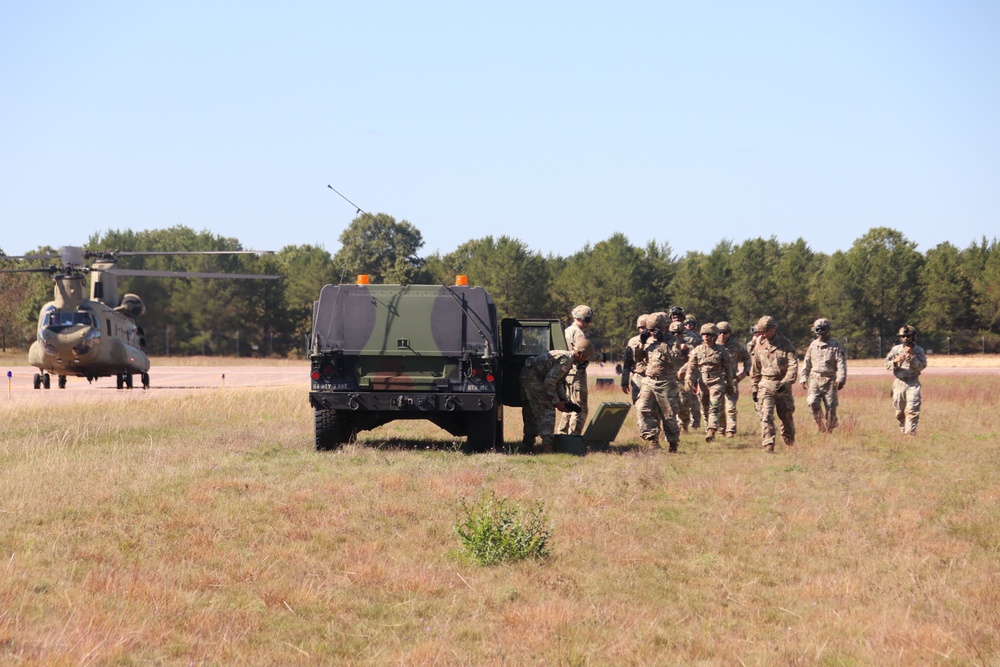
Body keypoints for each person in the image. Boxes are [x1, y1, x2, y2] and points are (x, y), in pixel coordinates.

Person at [521, 339, 596, 453]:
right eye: (585, 357)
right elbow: (550, 382)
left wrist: (565, 401)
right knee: (547, 410)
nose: (585, 360)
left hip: (529, 377)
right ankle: (547, 448)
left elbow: (558, 382)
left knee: (532, 411)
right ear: (580, 354)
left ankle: (528, 447)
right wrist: (556, 402)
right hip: (533, 379)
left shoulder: (568, 360)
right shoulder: (566, 360)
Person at [634, 314, 684, 451]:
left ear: (663, 328)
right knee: (642, 408)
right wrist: (641, 344)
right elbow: (638, 359)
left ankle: (673, 442)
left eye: (654, 330)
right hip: (649, 380)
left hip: (666, 382)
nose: (651, 333)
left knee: (668, 415)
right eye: (650, 330)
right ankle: (652, 440)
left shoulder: (672, 341)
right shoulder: (649, 340)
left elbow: (674, 358)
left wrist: (662, 343)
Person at [750, 316, 798, 453]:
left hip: (782, 386)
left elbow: (793, 366)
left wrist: (786, 382)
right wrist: (754, 387)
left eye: (765, 331)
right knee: (766, 416)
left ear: (773, 329)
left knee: (786, 417)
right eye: (761, 332)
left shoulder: (785, 344)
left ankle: (790, 443)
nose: (763, 334)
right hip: (765, 384)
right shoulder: (759, 344)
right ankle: (768, 445)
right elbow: (756, 368)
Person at [684, 323, 735, 442]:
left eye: (708, 335)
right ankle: (709, 428)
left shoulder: (721, 351)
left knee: (714, 407)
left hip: (717, 382)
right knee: (705, 408)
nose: (706, 337)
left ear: (714, 336)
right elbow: (691, 367)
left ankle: (711, 431)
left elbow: (728, 369)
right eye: (704, 335)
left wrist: (730, 384)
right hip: (702, 383)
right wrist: (688, 380)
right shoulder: (697, 350)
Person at [800, 318, 848, 433]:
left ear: (828, 330)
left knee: (831, 407)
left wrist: (841, 379)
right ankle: (820, 425)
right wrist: (803, 377)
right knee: (812, 402)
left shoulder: (835, 345)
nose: (821, 332)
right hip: (815, 378)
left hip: (830, 379)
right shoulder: (813, 345)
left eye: (824, 329)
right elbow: (807, 362)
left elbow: (841, 363)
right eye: (818, 329)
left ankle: (830, 429)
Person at [557, 304, 593, 436]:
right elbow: (585, 352)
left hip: (565, 372)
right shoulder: (578, 333)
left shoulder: (566, 331)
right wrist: (601, 356)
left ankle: (561, 435)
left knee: (568, 406)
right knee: (580, 407)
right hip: (576, 373)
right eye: (588, 320)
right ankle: (574, 437)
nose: (588, 324)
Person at [885, 325, 927, 436]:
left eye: (908, 336)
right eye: (903, 336)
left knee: (912, 409)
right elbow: (887, 365)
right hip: (899, 382)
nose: (905, 338)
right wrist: (895, 361)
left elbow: (922, 366)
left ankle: (910, 435)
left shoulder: (919, 350)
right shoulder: (895, 350)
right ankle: (903, 427)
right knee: (899, 412)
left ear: (913, 336)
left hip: (913, 382)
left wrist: (913, 357)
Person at [716, 321, 750, 438]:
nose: (722, 335)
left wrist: (745, 372)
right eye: (719, 332)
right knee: (719, 407)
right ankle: (721, 430)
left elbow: (747, 357)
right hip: (717, 381)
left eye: (725, 332)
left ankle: (731, 431)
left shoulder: (735, 346)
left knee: (731, 407)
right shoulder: (712, 346)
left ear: (729, 333)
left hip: (732, 380)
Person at [669, 307, 701, 430]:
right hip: (669, 373)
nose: (676, 318)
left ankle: (685, 424)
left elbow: (695, 357)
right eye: (674, 316)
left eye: (679, 316)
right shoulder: (666, 335)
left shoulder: (692, 338)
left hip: (685, 373)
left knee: (684, 400)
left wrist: (684, 369)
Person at [620, 314, 648, 404]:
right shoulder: (633, 342)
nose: (644, 330)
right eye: (641, 328)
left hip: (653, 378)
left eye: (646, 327)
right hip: (638, 376)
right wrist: (624, 382)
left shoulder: (657, 341)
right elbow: (627, 363)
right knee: (638, 404)